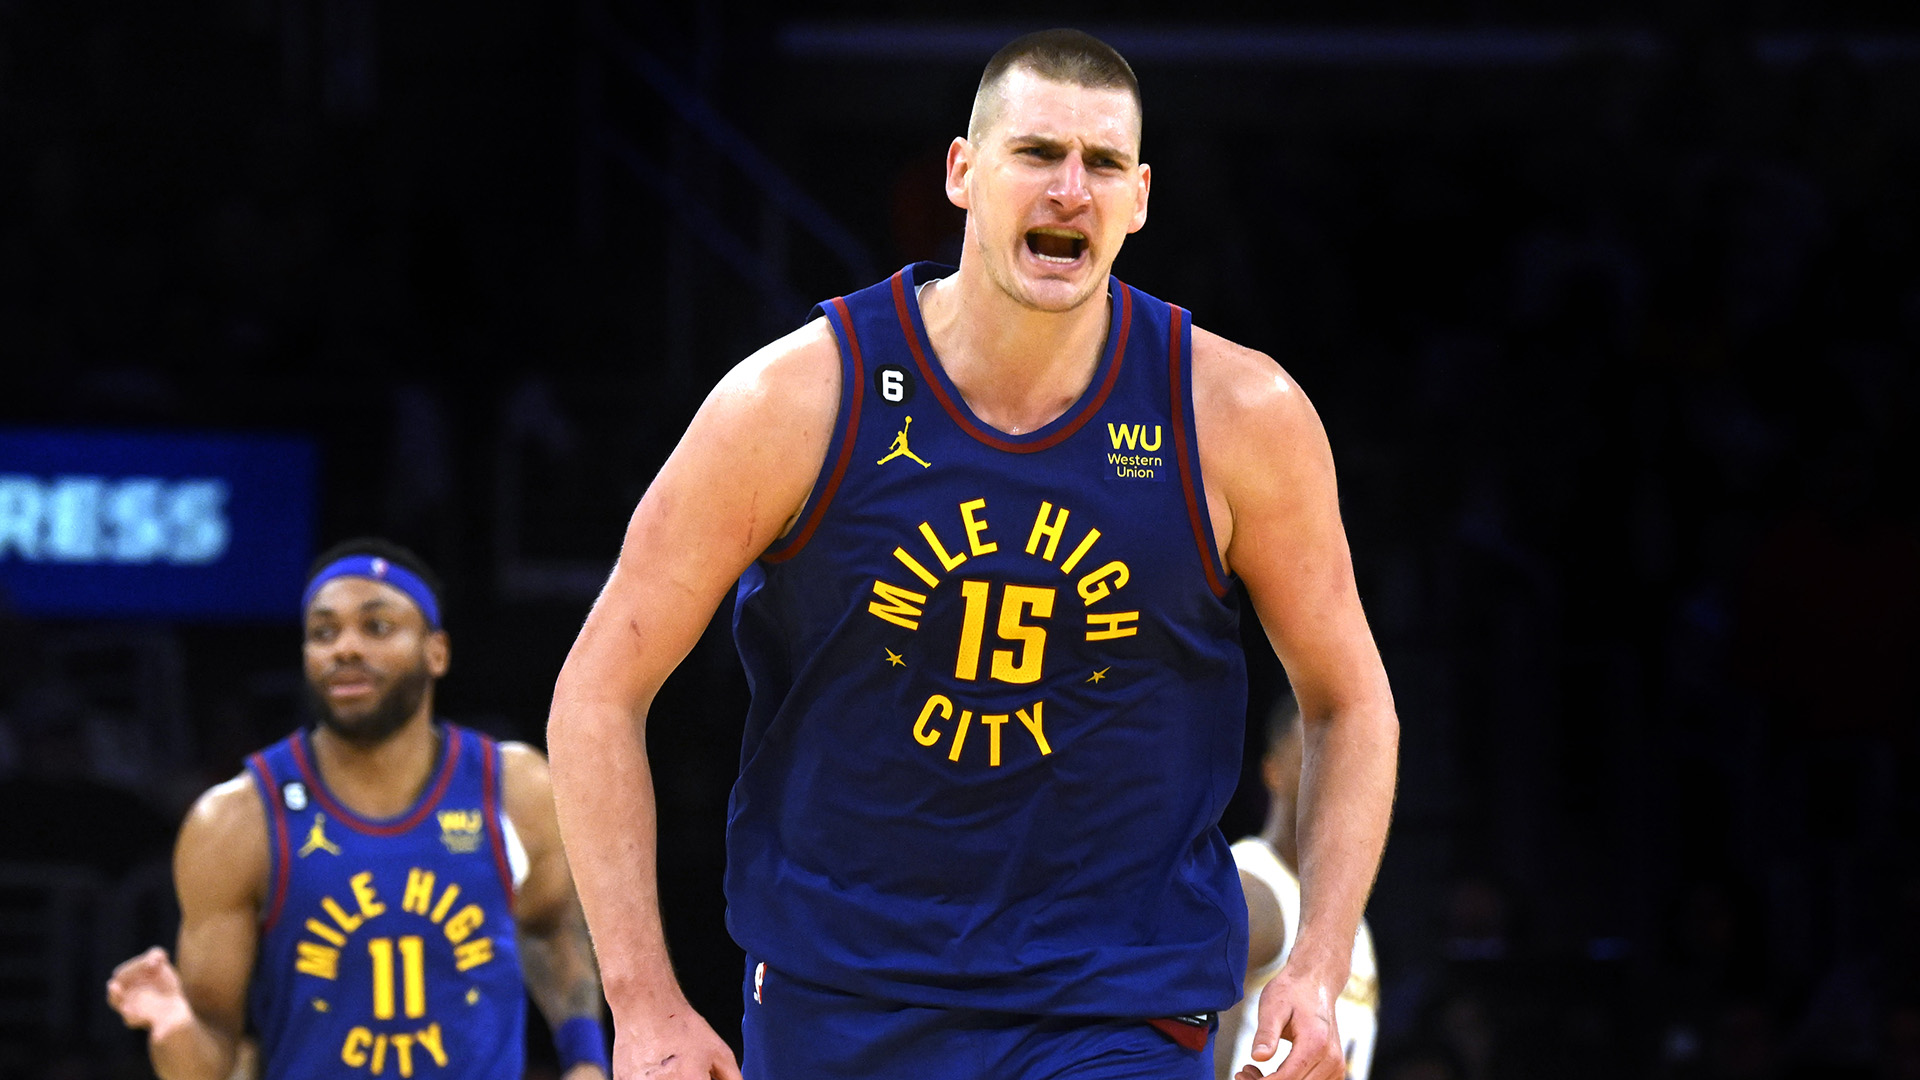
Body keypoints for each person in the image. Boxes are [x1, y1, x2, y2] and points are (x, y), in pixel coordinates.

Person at [547, 27, 1398, 1080]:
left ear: (1139, 199)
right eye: (1037, 154)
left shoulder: (1238, 413)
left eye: (1100, 166)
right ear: (963, 172)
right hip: (841, 1001)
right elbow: (598, 689)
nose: (1068, 190)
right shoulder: (796, 399)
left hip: (1115, 1010)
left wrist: (1316, 966)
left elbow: (1350, 700)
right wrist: (644, 1004)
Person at [106, 538, 611, 1080]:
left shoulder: (515, 787)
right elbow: (210, 1061)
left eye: (376, 627)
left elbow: (552, 928)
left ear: (436, 652)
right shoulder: (236, 818)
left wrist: (584, 1058)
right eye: (324, 632)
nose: (345, 648)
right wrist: (173, 1025)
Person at [1218, 693, 1379, 1080]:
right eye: (1314, 753)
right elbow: (1200, 1062)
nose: (1332, 772)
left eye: (1345, 759)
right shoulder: (1249, 890)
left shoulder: (1346, 911)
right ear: (1272, 770)